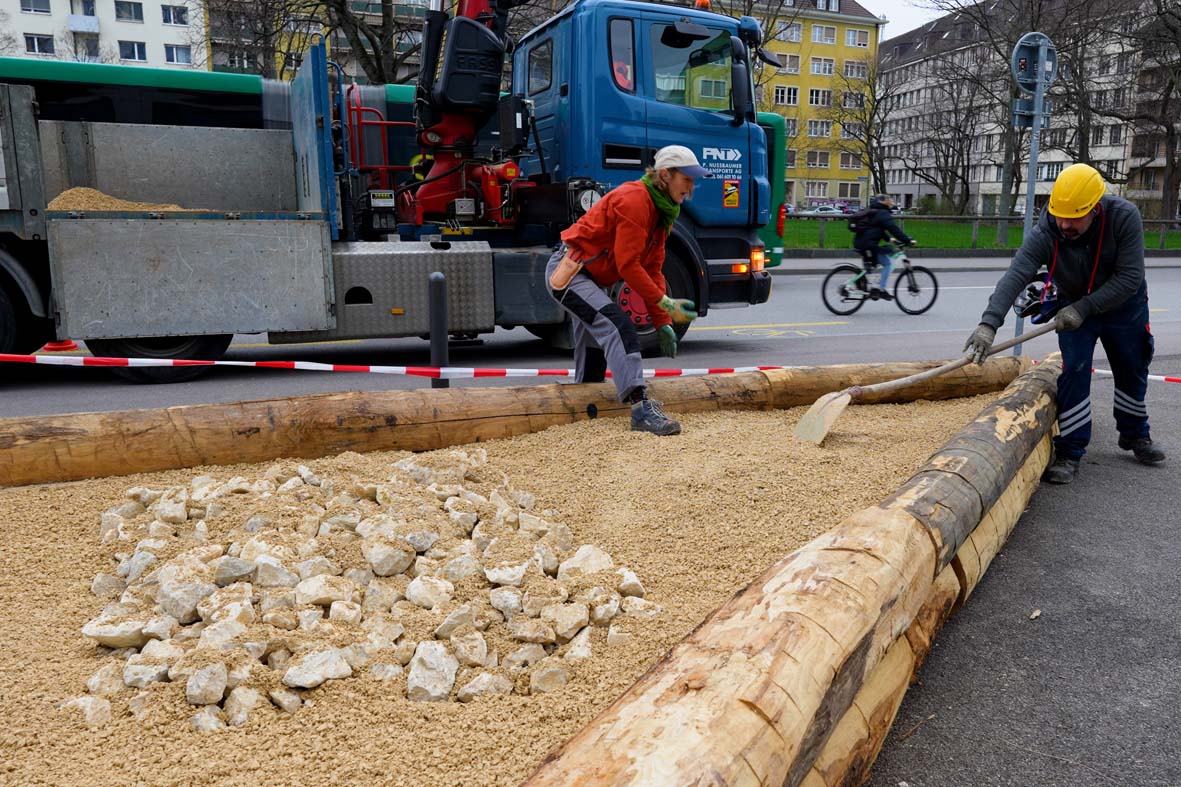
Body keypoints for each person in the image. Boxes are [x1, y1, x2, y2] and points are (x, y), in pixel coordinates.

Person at [963, 163, 1165, 484]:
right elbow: (1017, 274)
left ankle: (1134, 433)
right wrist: (988, 324)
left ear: (1095, 209)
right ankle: (1070, 451)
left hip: (1124, 305)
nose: (1065, 224)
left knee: (1132, 366)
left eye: (1075, 217)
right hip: (1073, 306)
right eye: (1060, 215)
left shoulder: (1124, 218)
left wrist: (1085, 307)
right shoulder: (1047, 231)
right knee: (1074, 371)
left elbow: (1130, 277)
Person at [544, 145, 706, 436]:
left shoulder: (662, 213)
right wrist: (665, 304)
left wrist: (663, 322)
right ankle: (640, 409)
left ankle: (587, 399)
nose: (691, 187)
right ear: (665, 175)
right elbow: (628, 265)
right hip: (571, 272)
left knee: (596, 338)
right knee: (617, 326)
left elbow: (653, 270)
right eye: (687, 179)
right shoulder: (636, 200)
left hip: (590, 277)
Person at [852, 194, 916, 301]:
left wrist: (890, 239)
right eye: (889, 199)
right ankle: (880, 289)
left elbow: (876, 229)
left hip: (862, 243)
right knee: (887, 263)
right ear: (883, 201)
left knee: (871, 267)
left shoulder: (874, 210)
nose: (891, 201)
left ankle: (867, 285)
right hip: (868, 245)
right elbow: (893, 228)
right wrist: (907, 240)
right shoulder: (882, 213)